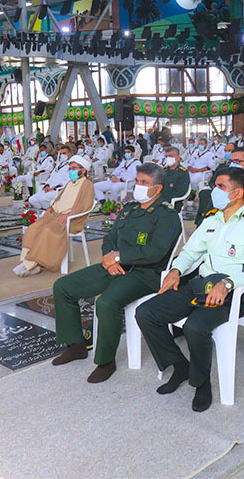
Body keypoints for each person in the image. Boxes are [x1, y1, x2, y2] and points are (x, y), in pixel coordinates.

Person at [135, 167, 244, 412]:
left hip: (231, 295)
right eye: (214, 185)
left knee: (195, 326)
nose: (214, 191)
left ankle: (201, 383)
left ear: (237, 193)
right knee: (146, 312)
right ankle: (181, 366)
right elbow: (190, 252)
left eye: (221, 187)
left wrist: (228, 283)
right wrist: (176, 270)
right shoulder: (211, 220)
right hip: (200, 286)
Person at [51, 163, 180, 383]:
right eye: (137, 181)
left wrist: (119, 257)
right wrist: (109, 259)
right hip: (114, 266)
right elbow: (110, 238)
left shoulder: (167, 215)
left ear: (157, 188)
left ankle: (105, 361)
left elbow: (156, 252)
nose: (138, 186)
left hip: (144, 274)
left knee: (107, 303)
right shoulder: (129, 209)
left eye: (144, 182)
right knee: (63, 287)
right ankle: (76, 346)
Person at [14, 155, 94, 277]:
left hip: (71, 220)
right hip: (56, 215)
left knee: (47, 231)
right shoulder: (70, 183)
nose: (71, 171)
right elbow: (59, 199)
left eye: (74, 168)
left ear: (83, 170)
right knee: (32, 229)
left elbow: (85, 206)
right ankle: (30, 262)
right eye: (70, 169)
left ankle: (32, 264)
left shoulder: (87, 185)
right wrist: (50, 209)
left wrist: (68, 215)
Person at [195, 147, 244, 225]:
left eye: (237, 161)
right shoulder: (220, 190)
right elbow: (206, 218)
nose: (233, 165)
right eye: (231, 161)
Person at [29, 144, 74, 209]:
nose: (62, 155)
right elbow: (51, 177)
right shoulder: (59, 164)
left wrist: (54, 188)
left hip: (59, 190)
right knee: (32, 199)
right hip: (49, 189)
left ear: (69, 153)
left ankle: (49, 213)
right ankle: (43, 211)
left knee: (43, 199)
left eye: (64, 153)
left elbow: (67, 181)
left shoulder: (71, 166)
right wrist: (47, 186)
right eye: (61, 153)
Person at [160, 147, 189, 211]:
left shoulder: (182, 173)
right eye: (166, 156)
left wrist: (162, 199)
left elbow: (180, 192)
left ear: (178, 157)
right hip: (159, 199)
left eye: (170, 156)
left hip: (172, 202)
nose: (168, 158)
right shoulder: (163, 170)